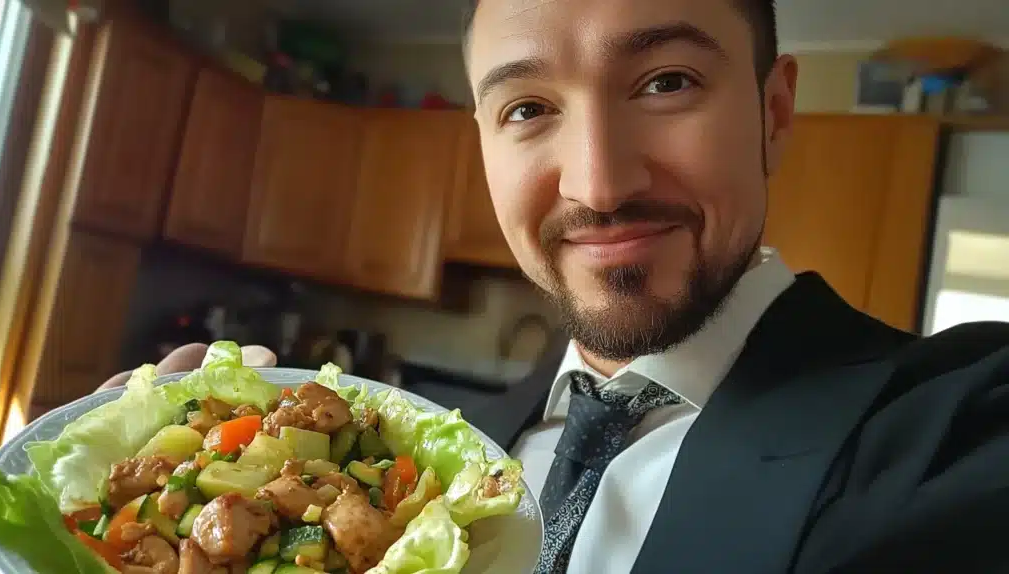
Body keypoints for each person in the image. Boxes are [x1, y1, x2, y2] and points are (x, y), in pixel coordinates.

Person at [100, 0, 1009, 572]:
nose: (598, 184)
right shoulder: (426, 475)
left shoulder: (957, 428)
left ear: (771, 114)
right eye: (527, 108)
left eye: (665, 81)